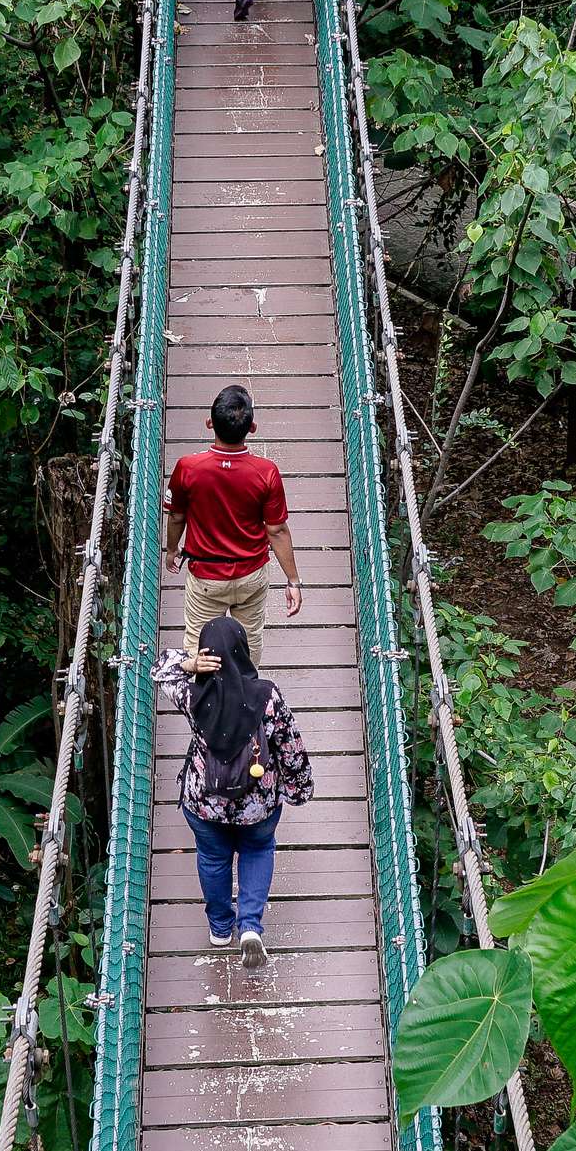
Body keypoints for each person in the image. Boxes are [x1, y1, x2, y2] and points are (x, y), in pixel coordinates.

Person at [157, 612, 313, 959]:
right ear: (243, 650)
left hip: (204, 802)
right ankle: (251, 928)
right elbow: (289, 746)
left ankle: (219, 927)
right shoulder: (267, 697)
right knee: (258, 850)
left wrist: (190, 664)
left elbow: (161, 667)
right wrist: (299, 788)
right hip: (258, 804)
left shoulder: (192, 696)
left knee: (213, 858)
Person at [167, 382, 300, 636]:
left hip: (207, 577)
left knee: (200, 647)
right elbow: (277, 531)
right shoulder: (266, 472)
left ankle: (206, 675)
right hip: (251, 574)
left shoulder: (188, 468)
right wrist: (293, 581)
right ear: (252, 428)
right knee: (248, 643)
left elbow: (176, 516)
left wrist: (172, 549)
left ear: (209, 423)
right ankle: (248, 676)